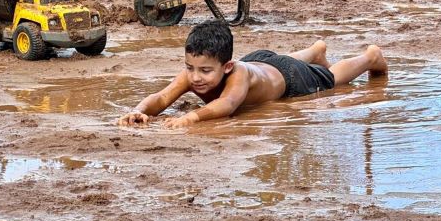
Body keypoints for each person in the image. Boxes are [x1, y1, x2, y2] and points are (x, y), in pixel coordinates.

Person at [118, 19, 388, 128]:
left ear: (226, 67)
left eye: (204, 71)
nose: (196, 77)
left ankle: (369, 56)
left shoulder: (239, 75)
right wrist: (139, 110)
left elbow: (228, 104)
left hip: (288, 78)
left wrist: (190, 117)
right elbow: (162, 98)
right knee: (280, 61)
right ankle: (314, 50)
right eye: (190, 68)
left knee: (331, 80)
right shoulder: (196, 72)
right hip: (260, 61)